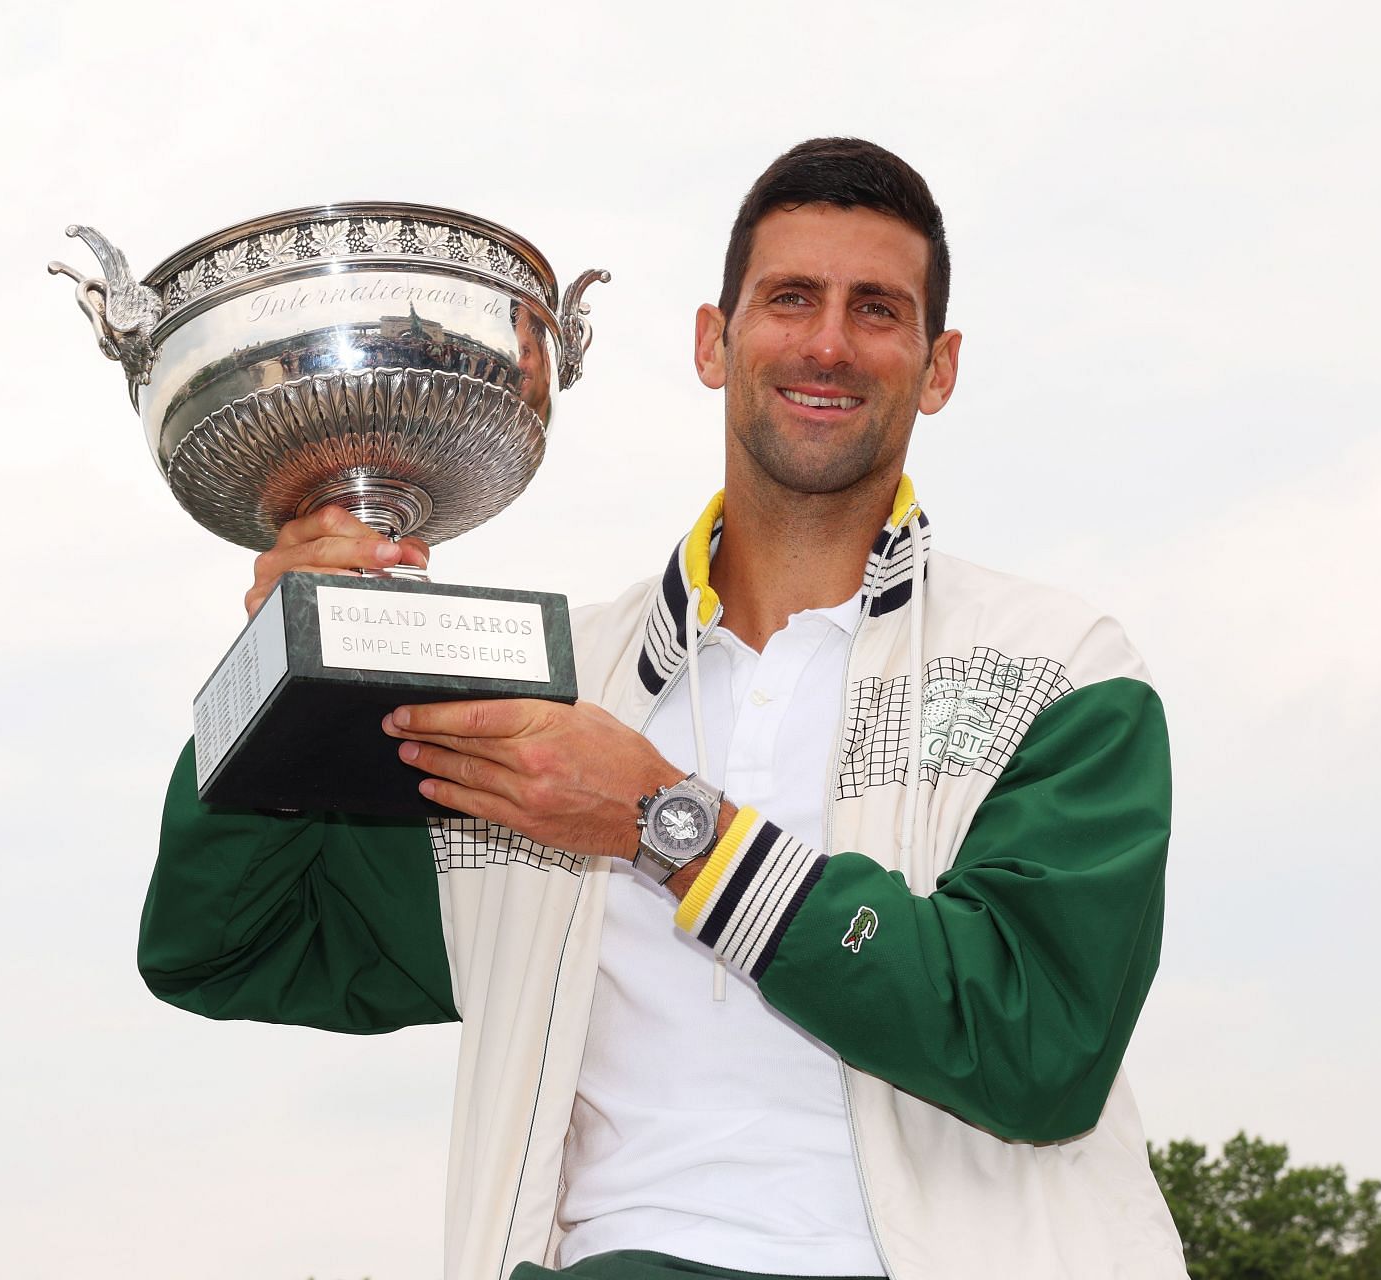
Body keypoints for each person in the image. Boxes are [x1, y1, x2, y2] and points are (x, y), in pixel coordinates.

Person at [139, 138, 1188, 1280]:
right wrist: (283, 655)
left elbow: (1040, 1042)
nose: (828, 342)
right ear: (713, 340)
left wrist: (667, 820)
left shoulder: (1055, 667)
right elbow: (227, 942)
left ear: (936, 368)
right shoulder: (548, 688)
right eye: (791, 298)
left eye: (876, 310)